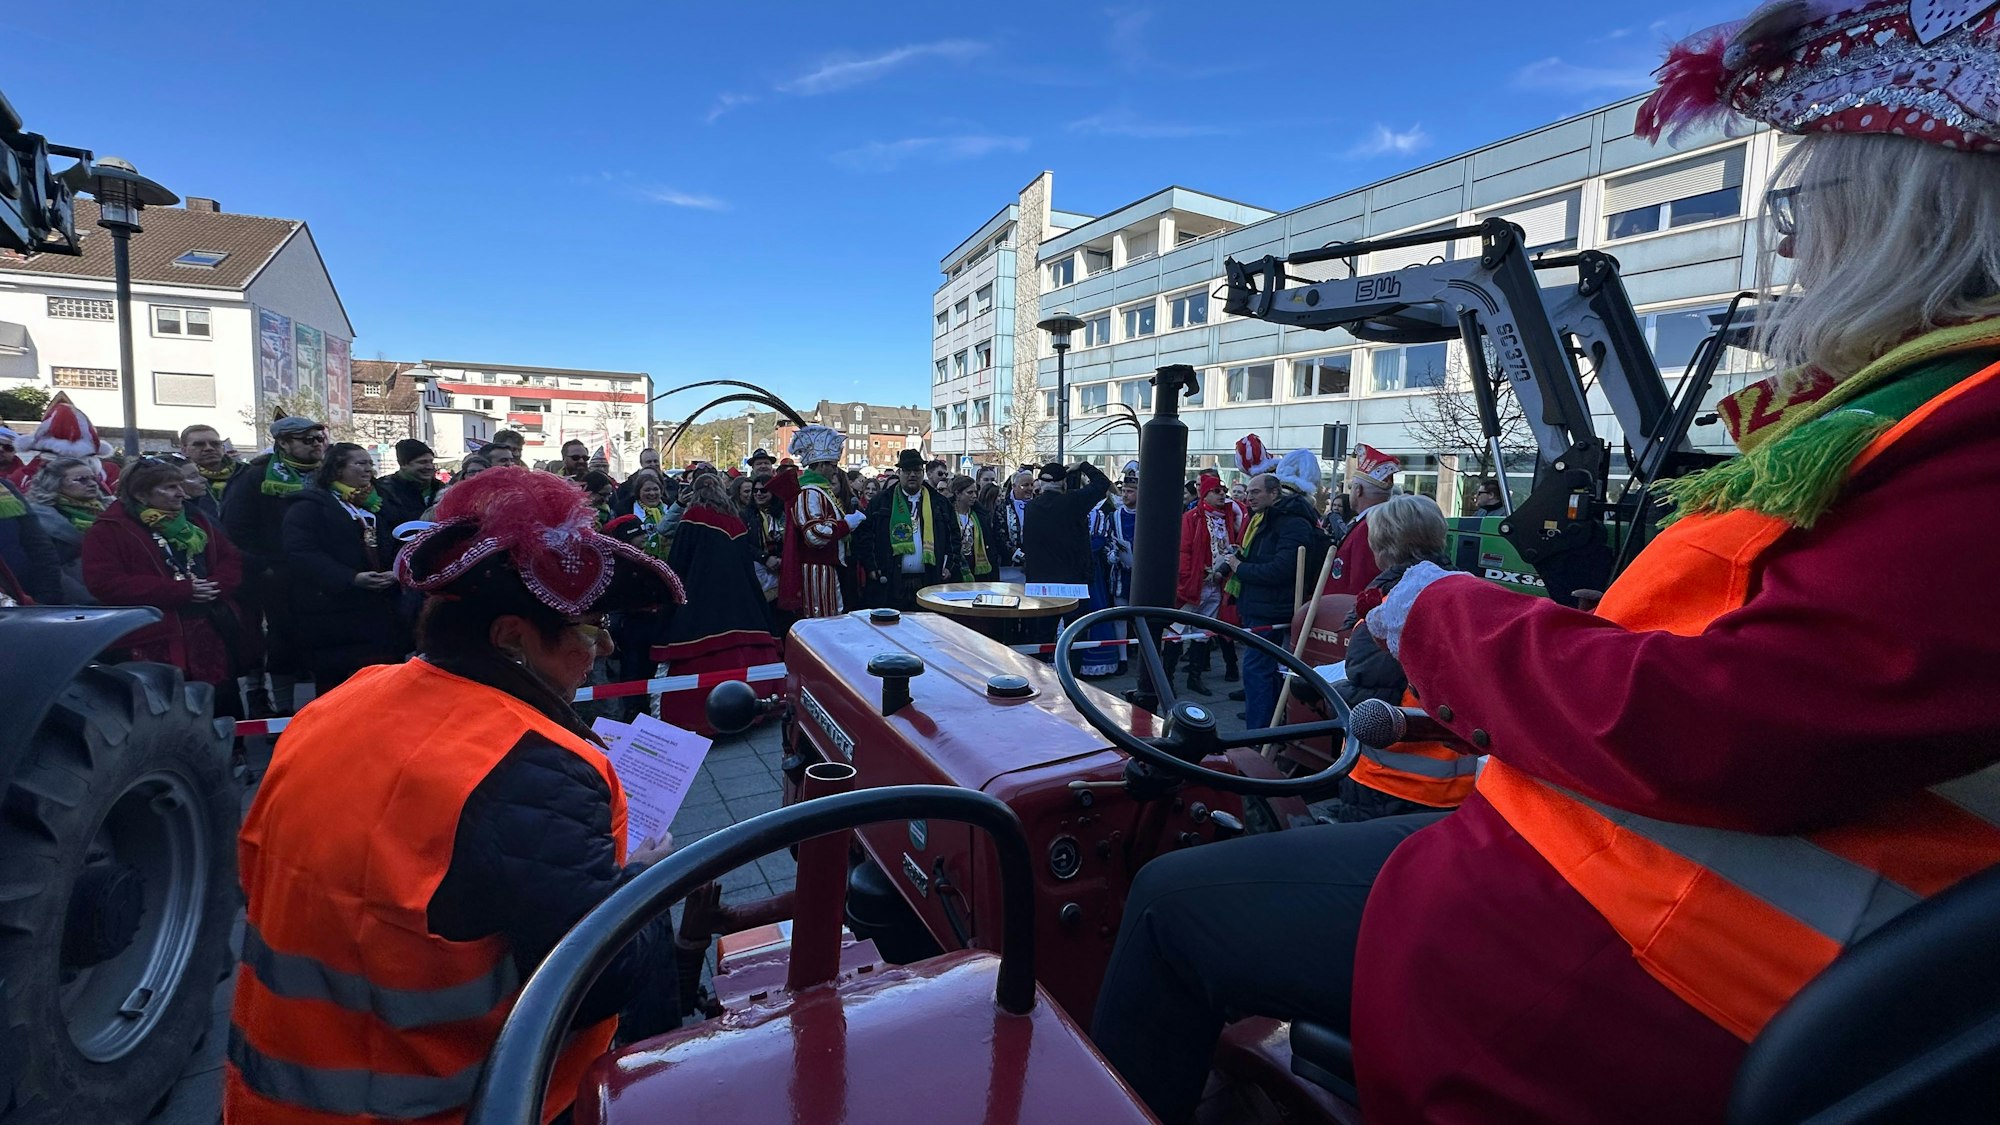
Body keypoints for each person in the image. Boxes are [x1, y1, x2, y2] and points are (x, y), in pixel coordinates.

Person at [1092, 11, 2000, 1121]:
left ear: (1916, 206)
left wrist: (1439, 613)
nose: (1793, 249)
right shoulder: (1900, 418)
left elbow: (1723, 723)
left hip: (1639, 962)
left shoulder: (1962, 439)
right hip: (1602, 883)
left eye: (1802, 208)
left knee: (1170, 902)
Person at [228, 467, 690, 1125]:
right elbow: (594, 978)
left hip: (270, 1097)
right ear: (512, 639)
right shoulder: (537, 768)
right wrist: (644, 881)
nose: (607, 648)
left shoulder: (344, 699)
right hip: (449, 1103)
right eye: (591, 628)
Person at [1324, 495, 1475, 821]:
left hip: (1390, 781)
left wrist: (1324, 692)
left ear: (1383, 547)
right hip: (1455, 782)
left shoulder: (1390, 608)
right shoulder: (1467, 593)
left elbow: (1369, 695)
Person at [82, 457, 250, 718]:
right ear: (140, 494)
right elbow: (105, 583)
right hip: (152, 636)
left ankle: (230, 755)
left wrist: (215, 585)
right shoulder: (109, 529)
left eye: (180, 486)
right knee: (163, 708)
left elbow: (230, 558)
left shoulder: (195, 520)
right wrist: (181, 590)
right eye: (171, 487)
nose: (181, 493)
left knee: (219, 699)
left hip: (208, 630)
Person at [282, 442, 411, 692]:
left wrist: (395, 571)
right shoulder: (308, 506)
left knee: (382, 685)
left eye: (370, 464)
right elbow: (301, 553)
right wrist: (351, 578)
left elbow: (398, 539)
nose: (368, 469)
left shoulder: (377, 502)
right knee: (338, 689)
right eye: (360, 463)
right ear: (336, 469)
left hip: (380, 611)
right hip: (334, 612)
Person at [222, 414, 328, 717]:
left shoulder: (326, 475)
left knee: (319, 640)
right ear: (283, 443)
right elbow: (236, 529)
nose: (316, 446)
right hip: (277, 576)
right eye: (307, 440)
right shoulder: (255, 477)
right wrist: (265, 566)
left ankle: (323, 708)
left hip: (318, 573)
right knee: (283, 640)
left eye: (319, 439)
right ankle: (282, 710)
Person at [1216, 455, 1322, 729]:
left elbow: (1281, 569)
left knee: (1258, 670)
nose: (1249, 498)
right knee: (1264, 670)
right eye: (1248, 492)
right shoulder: (1269, 517)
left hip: (1271, 607)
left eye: (1255, 492)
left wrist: (1241, 567)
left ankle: (1259, 733)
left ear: (1276, 493)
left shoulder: (1291, 521)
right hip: (1261, 605)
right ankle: (1266, 724)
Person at [655, 472, 781, 675]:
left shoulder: (693, 517)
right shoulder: (735, 522)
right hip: (738, 599)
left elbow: (679, 562)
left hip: (700, 597)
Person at [773, 425, 865, 619]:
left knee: (831, 618)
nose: (835, 469)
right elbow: (814, 535)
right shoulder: (810, 492)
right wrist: (847, 524)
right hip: (816, 572)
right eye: (832, 464)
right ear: (821, 465)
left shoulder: (818, 490)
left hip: (825, 570)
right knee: (822, 621)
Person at [1165, 473, 1241, 697]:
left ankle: (1194, 677)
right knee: (1176, 630)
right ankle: (1166, 678)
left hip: (1216, 586)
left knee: (1204, 632)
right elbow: (1184, 550)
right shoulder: (1192, 517)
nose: (1222, 495)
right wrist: (1188, 578)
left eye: (1223, 491)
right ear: (1205, 494)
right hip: (1194, 585)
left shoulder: (1226, 518)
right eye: (1217, 491)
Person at [857, 449, 960, 610]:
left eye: (917, 470)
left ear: (923, 473)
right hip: (891, 581)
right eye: (907, 470)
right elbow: (866, 536)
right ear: (899, 472)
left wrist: (950, 566)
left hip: (929, 579)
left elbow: (953, 536)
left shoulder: (939, 502)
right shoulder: (882, 501)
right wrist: (871, 566)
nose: (912, 474)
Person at [27, 456, 106, 604]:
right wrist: (87, 600)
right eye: (81, 479)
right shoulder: (41, 518)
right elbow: (48, 566)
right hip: (79, 597)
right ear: (55, 484)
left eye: (93, 478)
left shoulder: (110, 510)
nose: (92, 484)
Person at [1325, 445, 1397, 597]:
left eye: (1351, 488)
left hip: (1343, 611)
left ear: (1358, 490)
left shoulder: (1369, 527)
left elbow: (1360, 582)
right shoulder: (1373, 522)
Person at [376, 438, 443, 537]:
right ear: (403, 464)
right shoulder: (383, 490)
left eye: (431, 462)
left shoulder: (441, 489)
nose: (429, 467)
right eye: (422, 462)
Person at [948, 474, 1002, 582]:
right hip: (954, 567)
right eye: (970, 492)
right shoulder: (947, 515)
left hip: (975, 566)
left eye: (975, 492)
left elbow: (990, 546)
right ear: (957, 494)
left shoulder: (979, 516)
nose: (974, 496)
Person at [180, 424, 245, 503]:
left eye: (215, 443)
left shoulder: (246, 472)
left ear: (222, 447)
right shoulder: (178, 481)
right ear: (184, 450)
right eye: (199, 444)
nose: (209, 448)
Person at [1000, 468, 1033, 580]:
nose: (1030, 489)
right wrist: (1019, 555)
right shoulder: (1003, 506)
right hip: (1009, 565)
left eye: (1031, 485)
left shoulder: (1038, 504)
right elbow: (1000, 535)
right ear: (1014, 486)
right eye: (1025, 485)